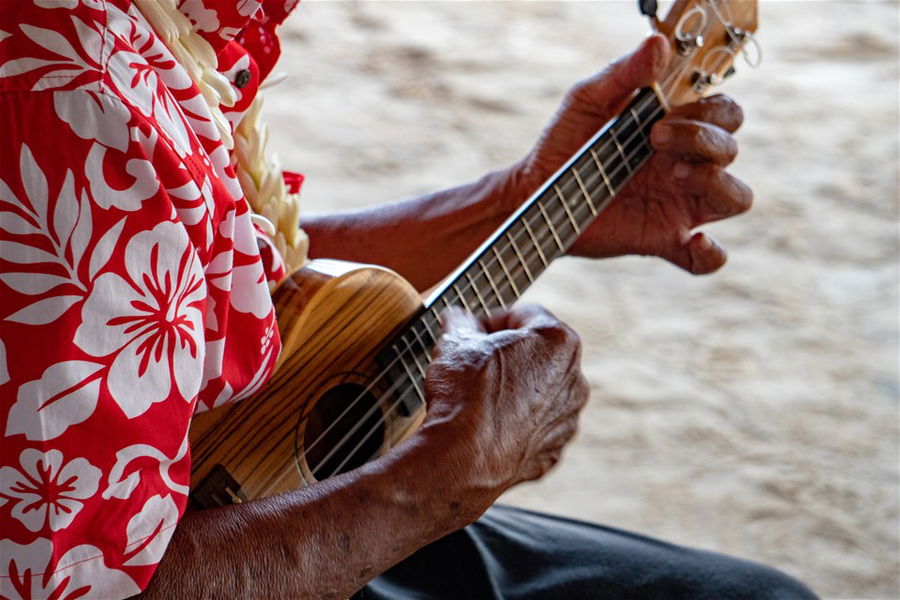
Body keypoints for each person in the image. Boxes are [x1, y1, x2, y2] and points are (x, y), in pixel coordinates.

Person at [0, 1, 817, 598]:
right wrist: (440, 482)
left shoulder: (151, 31)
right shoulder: (73, 90)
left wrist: (518, 200)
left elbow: (192, 278)